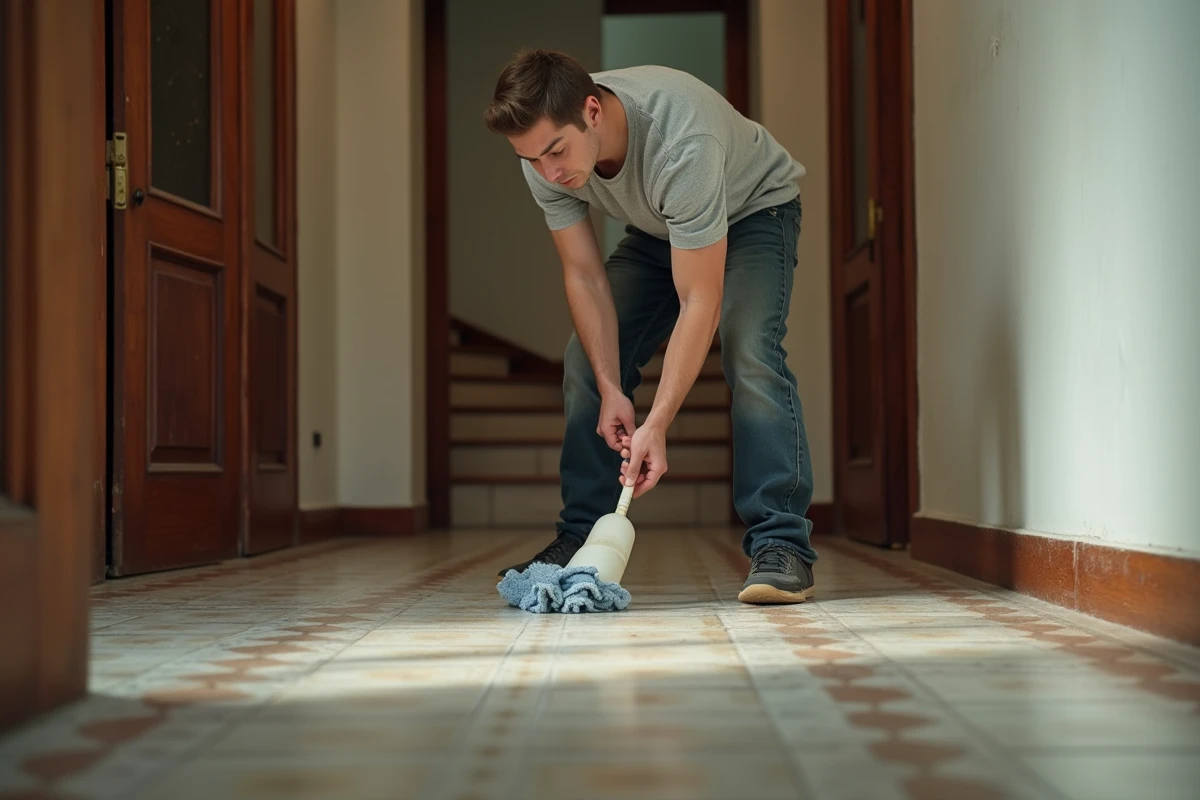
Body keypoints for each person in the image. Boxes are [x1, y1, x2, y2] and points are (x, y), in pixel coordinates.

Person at [485, 50, 817, 604]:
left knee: (749, 348)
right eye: (531, 159)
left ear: (592, 111)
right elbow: (586, 277)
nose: (549, 173)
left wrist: (657, 421)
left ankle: (781, 544)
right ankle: (581, 537)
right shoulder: (541, 154)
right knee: (584, 365)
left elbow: (699, 299)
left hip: (755, 210)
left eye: (555, 152)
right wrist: (612, 386)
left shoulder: (679, 140)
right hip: (664, 225)